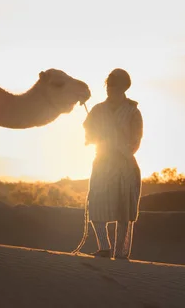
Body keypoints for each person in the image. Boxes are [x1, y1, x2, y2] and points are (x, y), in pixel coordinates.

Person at [74, 68, 143, 259]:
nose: (110, 88)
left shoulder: (132, 111)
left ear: (123, 87)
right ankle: (104, 247)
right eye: (108, 84)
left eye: (114, 84)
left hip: (124, 166)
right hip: (102, 163)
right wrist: (92, 134)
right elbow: (89, 133)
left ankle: (120, 254)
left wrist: (121, 150)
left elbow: (136, 140)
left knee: (124, 210)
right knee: (96, 205)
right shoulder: (97, 110)